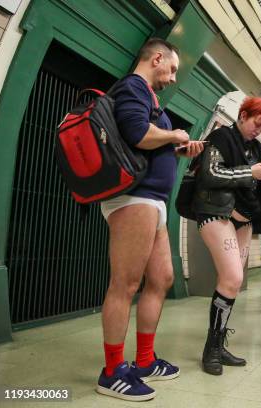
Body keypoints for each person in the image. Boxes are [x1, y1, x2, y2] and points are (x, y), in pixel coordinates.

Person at [97, 38, 204, 401]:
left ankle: (144, 359)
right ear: (156, 58)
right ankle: (112, 371)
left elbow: (146, 138)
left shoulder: (149, 96)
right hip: (133, 198)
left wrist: (175, 148)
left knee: (161, 278)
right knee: (125, 284)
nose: (173, 78)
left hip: (153, 200)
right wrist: (175, 133)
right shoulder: (133, 86)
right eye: (171, 69)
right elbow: (137, 134)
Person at [193, 97, 261, 375]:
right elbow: (210, 173)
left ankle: (217, 345)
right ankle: (211, 350)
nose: (259, 129)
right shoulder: (221, 136)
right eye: (257, 122)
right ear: (243, 114)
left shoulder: (259, 149)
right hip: (216, 213)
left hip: (244, 220)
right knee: (233, 278)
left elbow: (256, 188)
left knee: (230, 284)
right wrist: (250, 172)